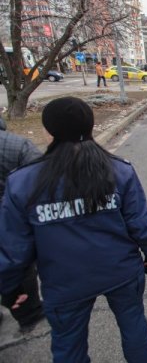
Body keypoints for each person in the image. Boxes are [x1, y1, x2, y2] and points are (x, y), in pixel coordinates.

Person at [0, 97, 147, 362]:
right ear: (90, 127)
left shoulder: (23, 182)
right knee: (133, 321)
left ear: (49, 131)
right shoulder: (118, 170)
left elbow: (14, 248)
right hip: (120, 271)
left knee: (68, 345)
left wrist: (9, 287)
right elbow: (141, 222)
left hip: (64, 281)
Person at [0, 115, 46, 333]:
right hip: (14, 217)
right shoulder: (17, 144)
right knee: (21, 261)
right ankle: (27, 311)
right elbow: (41, 178)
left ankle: (11, 295)